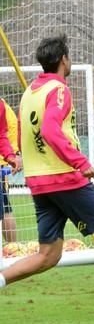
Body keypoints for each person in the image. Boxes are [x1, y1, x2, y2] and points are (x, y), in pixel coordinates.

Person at [0, 34, 94, 319]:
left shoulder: (30, 91)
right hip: (64, 178)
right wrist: (80, 162)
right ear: (64, 60)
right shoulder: (59, 90)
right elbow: (50, 130)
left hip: (38, 182)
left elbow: (22, 130)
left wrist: (17, 157)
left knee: (49, 254)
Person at [0, 98, 19, 243]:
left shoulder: (2, 106)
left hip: (2, 162)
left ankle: (12, 247)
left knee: (5, 208)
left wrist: (12, 156)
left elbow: (3, 135)